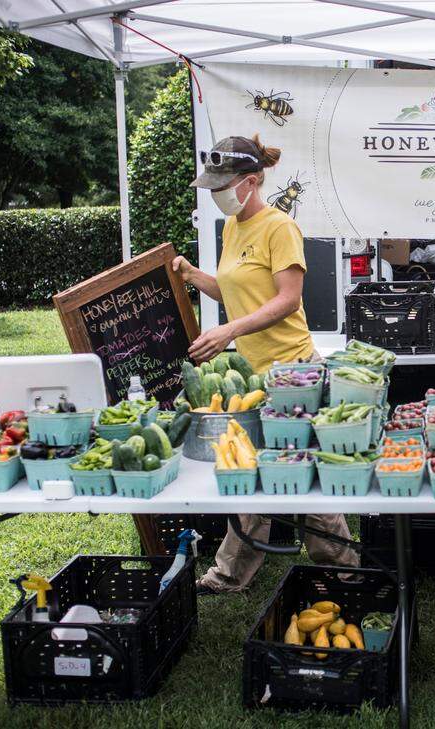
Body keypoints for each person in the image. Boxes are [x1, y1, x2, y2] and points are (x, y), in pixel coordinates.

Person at [174, 135, 359, 593]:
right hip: (253, 372)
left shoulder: (279, 227)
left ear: (251, 181)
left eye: (223, 184)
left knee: (307, 471)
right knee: (248, 467)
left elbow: (287, 299)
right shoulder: (234, 226)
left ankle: (344, 570)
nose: (216, 193)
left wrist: (230, 331)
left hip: (293, 370)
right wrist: (195, 278)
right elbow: (236, 291)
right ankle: (230, 573)